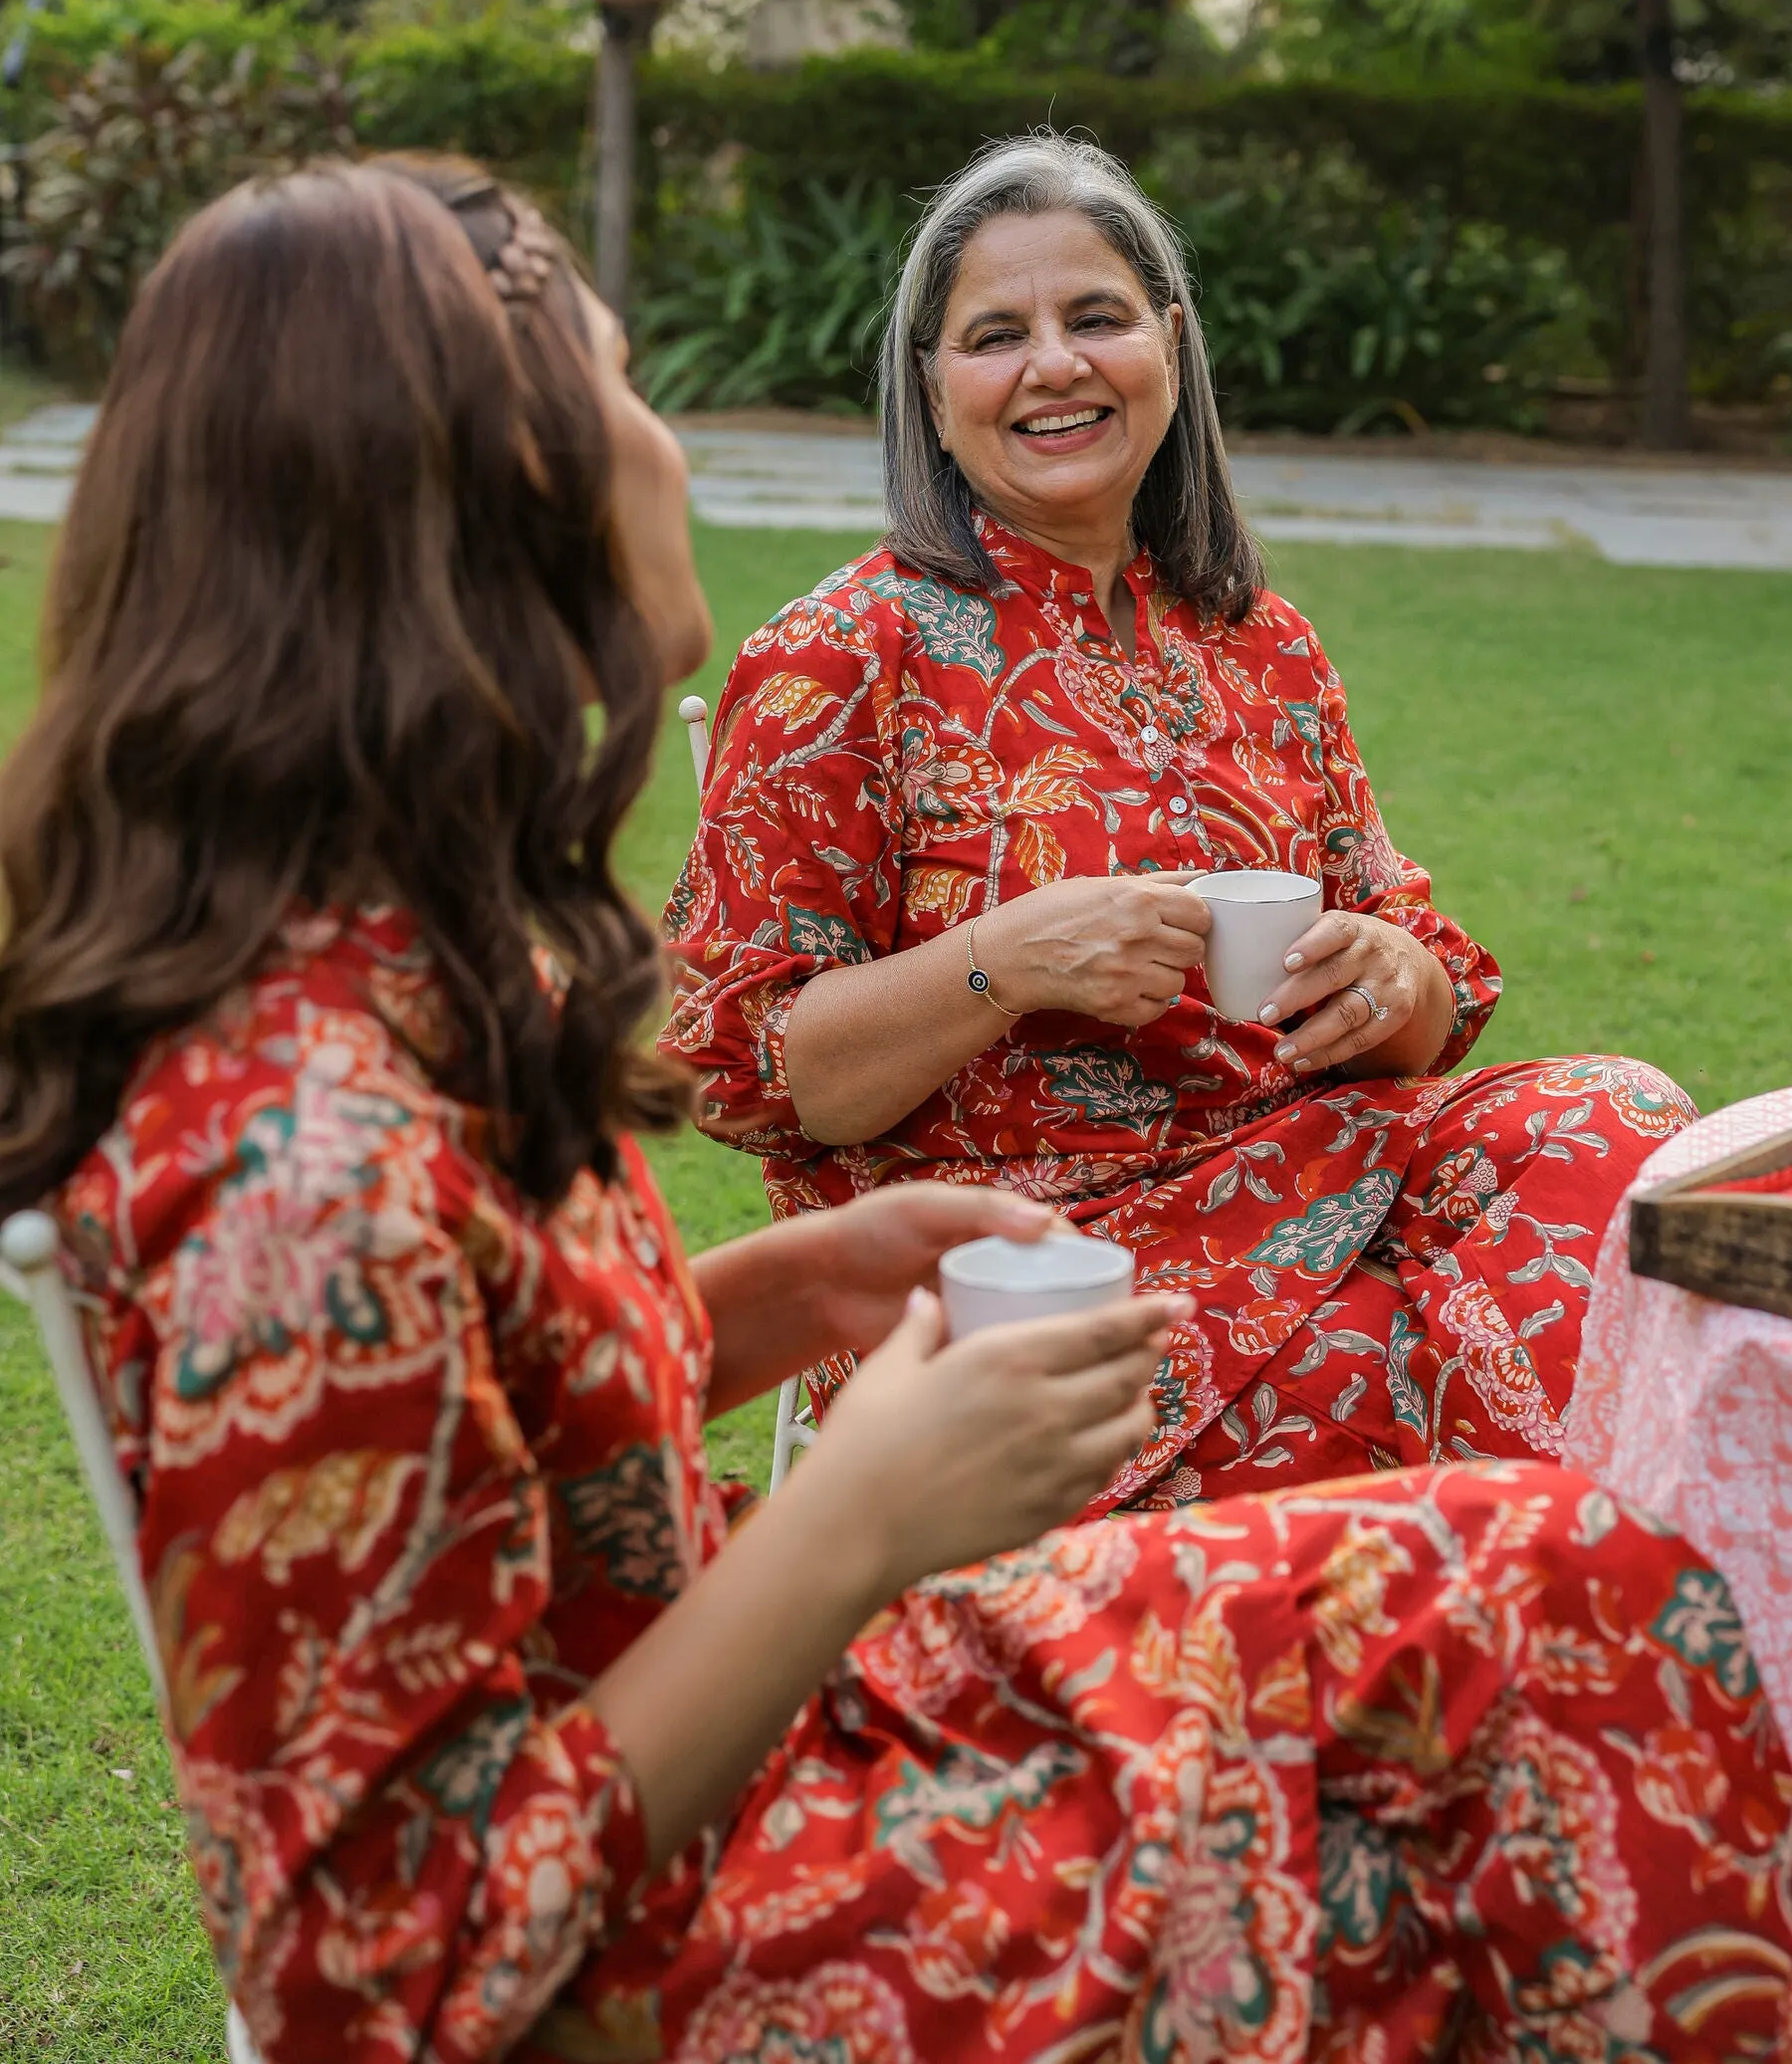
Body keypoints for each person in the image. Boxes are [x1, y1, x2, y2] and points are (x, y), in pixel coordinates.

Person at [3, 159, 1785, 2063]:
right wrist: (854, 1516)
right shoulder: (298, 1157)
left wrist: (801, 1286)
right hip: (762, 1868)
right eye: (621, 387)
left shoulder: (411, 986)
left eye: (1094, 317)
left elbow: (489, 1416)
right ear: (466, 491)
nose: (669, 443)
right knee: (1565, 1637)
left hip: (828, 1715)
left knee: (1569, 1541)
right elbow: (382, 1986)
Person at [664, 133, 1690, 1511]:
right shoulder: (846, 655)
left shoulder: (1260, 643)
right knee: (1395, 1357)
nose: (1053, 364)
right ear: (932, 386)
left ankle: (1555, 1585)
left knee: (1625, 1127)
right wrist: (1003, 962)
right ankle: (1559, 1590)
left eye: (1095, 317)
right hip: (1028, 1250)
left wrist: (1396, 977)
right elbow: (762, 1073)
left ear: (1170, 341)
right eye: (994, 335)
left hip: (1316, 1169)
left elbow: (1422, 1008)